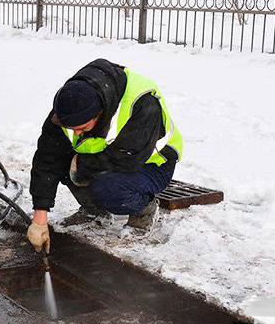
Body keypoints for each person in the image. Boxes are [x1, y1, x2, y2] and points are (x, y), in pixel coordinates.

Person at [26, 58, 183, 253]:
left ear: (100, 113)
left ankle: (144, 211)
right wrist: (40, 217)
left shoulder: (142, 103)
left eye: (82, 128)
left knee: (108, 186)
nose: (76, 133)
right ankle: (95, 211)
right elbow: (47, 158)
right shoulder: (70, 105)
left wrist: (81, 165)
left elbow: (128, 160)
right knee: (63, 163)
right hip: (107, 158)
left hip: (151, 164)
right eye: (71, 128)